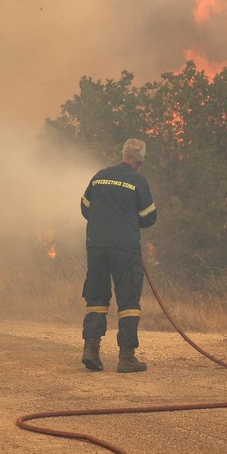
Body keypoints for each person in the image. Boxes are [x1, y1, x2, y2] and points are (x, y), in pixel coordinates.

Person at [79, 137, 157, 373]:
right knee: (129, 302)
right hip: (125, 249)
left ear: (122, 154)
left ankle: (90, 350)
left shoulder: (100, 176)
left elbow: (84, 208)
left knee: (97, 299)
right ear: (141, 160)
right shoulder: (139, 181)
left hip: (97, 246)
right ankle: (126, 358)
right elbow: (149, 217)